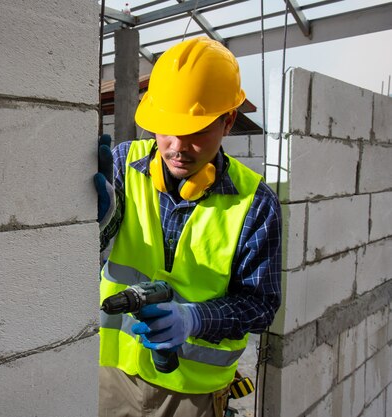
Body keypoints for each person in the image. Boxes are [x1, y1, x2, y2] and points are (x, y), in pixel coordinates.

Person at [94, 37, 282, 417]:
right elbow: (88, 250)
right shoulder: (120, 165)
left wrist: (194, 318)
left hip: (192, 396)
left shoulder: (255, 204)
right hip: (114, 378)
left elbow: (260, 307)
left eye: (195, 131)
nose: (177, 146)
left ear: (228, 121)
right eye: (166, 128)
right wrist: (90, 227)